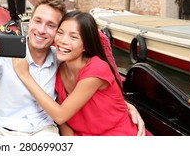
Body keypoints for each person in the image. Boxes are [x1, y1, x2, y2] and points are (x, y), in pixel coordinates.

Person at [0, 0, 146, 136]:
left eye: (51, 25)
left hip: (44, 131)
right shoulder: (3, 53)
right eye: (38, 21)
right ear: (29, 22)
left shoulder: (62, 58)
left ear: (57, 31)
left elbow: (96, 85)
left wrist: (124, 105)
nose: (41, 30)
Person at [13, 11, 152, 136]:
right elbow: (64, 121)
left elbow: (60, 116)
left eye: (73, 37)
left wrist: (25, 75)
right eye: (60, 33)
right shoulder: (60, 70)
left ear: (86, 45)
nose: (62, 41)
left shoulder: (97, 68)